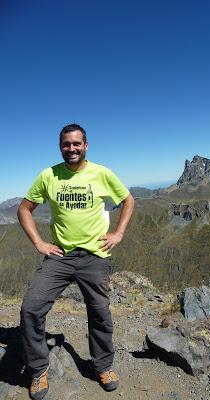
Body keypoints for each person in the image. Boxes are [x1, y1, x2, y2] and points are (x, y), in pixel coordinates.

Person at [18, 123, 134, 400]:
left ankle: (102, 366)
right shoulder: (49, 175)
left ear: (86, 145)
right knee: (31, 308)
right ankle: (38, 370)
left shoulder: (101, 173)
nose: (71, 148)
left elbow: (128, 200)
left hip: (94, 256)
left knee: (100, 313)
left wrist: (118, 233)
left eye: (76, 144)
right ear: (60, 147)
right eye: (66, 144)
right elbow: (24, 209)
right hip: (60, 255)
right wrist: (39, 243)